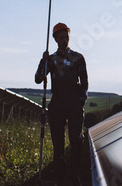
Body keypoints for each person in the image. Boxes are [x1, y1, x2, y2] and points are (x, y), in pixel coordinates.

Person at [35, 22, 88, 186]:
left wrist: (80, 101)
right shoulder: (50, 60)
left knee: (76, 140)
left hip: (74, 102)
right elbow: (38, 79)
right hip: (57, 102)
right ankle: (60, 175)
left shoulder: (78, 58)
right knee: (58, 143)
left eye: (66, 37)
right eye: (61, 38)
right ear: (55, 39)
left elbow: (85, 83)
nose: (64, 40)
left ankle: (73, 176)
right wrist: (42, 61)